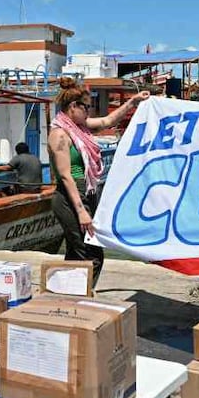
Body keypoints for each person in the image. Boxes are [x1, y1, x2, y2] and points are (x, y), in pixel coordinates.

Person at [49, 77, 149, 286]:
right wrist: (81, 211)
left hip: (87, 192)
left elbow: (107, 122)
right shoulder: (60, 134)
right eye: (86, 107)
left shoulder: (80, 128)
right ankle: (78, 296)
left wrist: (133, 102)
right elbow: (66, 176)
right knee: (90, 254)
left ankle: (65, 294)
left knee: (76, 251)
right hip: (71, 196)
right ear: (73, 107)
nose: (89, 112)